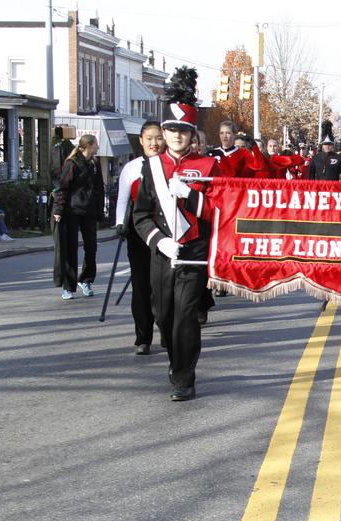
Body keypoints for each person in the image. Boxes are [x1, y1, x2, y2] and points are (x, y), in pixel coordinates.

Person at [132, 67, 221, 401]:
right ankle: (175, 357)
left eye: (184, 130)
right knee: (163, 315)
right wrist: (159, 240)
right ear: (164, 131)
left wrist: (191, 196)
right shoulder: (150, 167)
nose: (177, 136)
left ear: (191, 133)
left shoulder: (209, 167)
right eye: (171, 130)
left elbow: (219, 211)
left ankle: (184, 377)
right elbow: (140, 215)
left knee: (185, 316)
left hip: (194, 251)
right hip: (163, 252)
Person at [115, 121, 165, 355]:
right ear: (141, 140)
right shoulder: (132, 168)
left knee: (163, 287)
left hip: (166, 231)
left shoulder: (169, 165)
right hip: (139, 232)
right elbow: (122, 198)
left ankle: (167, 330)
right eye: (149, 138)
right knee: (141, 286)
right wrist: (119, 223)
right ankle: (142, 336)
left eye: (158, 138)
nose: (154, 143)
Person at [51, 135, 103, 299]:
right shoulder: (72, 163)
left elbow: (99, 188)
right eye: (95, 144)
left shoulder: (95, 163)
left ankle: (86, 279)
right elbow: (62, 187)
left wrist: (100, 212)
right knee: (70, 247)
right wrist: (58, 210)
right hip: (72, 210)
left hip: (89, 211)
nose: (97, 147)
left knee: (91, 247)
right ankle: (68, 285)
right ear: (88, 146)